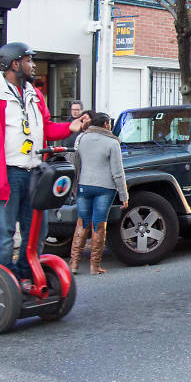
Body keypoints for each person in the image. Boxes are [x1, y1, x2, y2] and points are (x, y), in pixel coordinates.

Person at [0, 42, 89, 283]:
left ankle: (22, 277)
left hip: (34, 173)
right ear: (15, 63)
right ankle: (3, 284)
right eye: (29, 60)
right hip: (6, 175)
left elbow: (45, 128)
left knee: (37, 231)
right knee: (5, 233)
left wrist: (69, 127)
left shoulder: (34, 93)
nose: (33, 65)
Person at [69, 113, 128, 275]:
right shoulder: (112, 142)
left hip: (83, 184)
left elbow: (75, 161)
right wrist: (124, 195)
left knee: (82, 223)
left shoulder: (81, 138)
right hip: (105, 187)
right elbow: (117, 172)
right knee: (99, 224)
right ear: (106, 124)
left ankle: (74, 263)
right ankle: (94, 266)